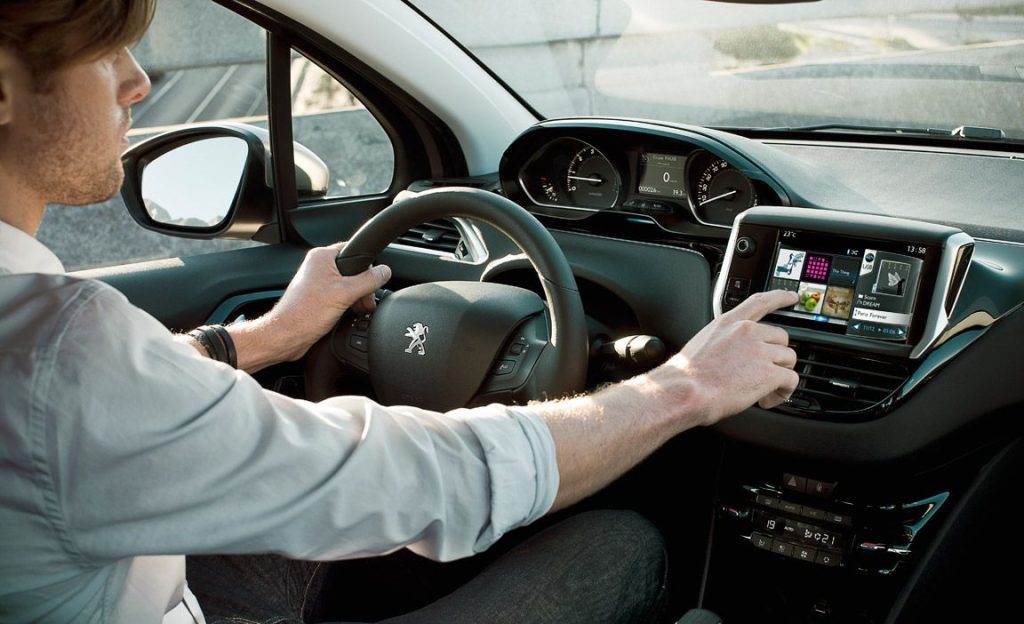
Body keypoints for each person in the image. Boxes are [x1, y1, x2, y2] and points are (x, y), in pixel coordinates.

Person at [0, 1, 800, 622]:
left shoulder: (48, 347)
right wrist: (685, 387)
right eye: (103, 52)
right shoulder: (59, 348)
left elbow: (111, 410)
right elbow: (433, 479)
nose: (138, 80)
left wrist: (270, 336)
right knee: (618, 550)